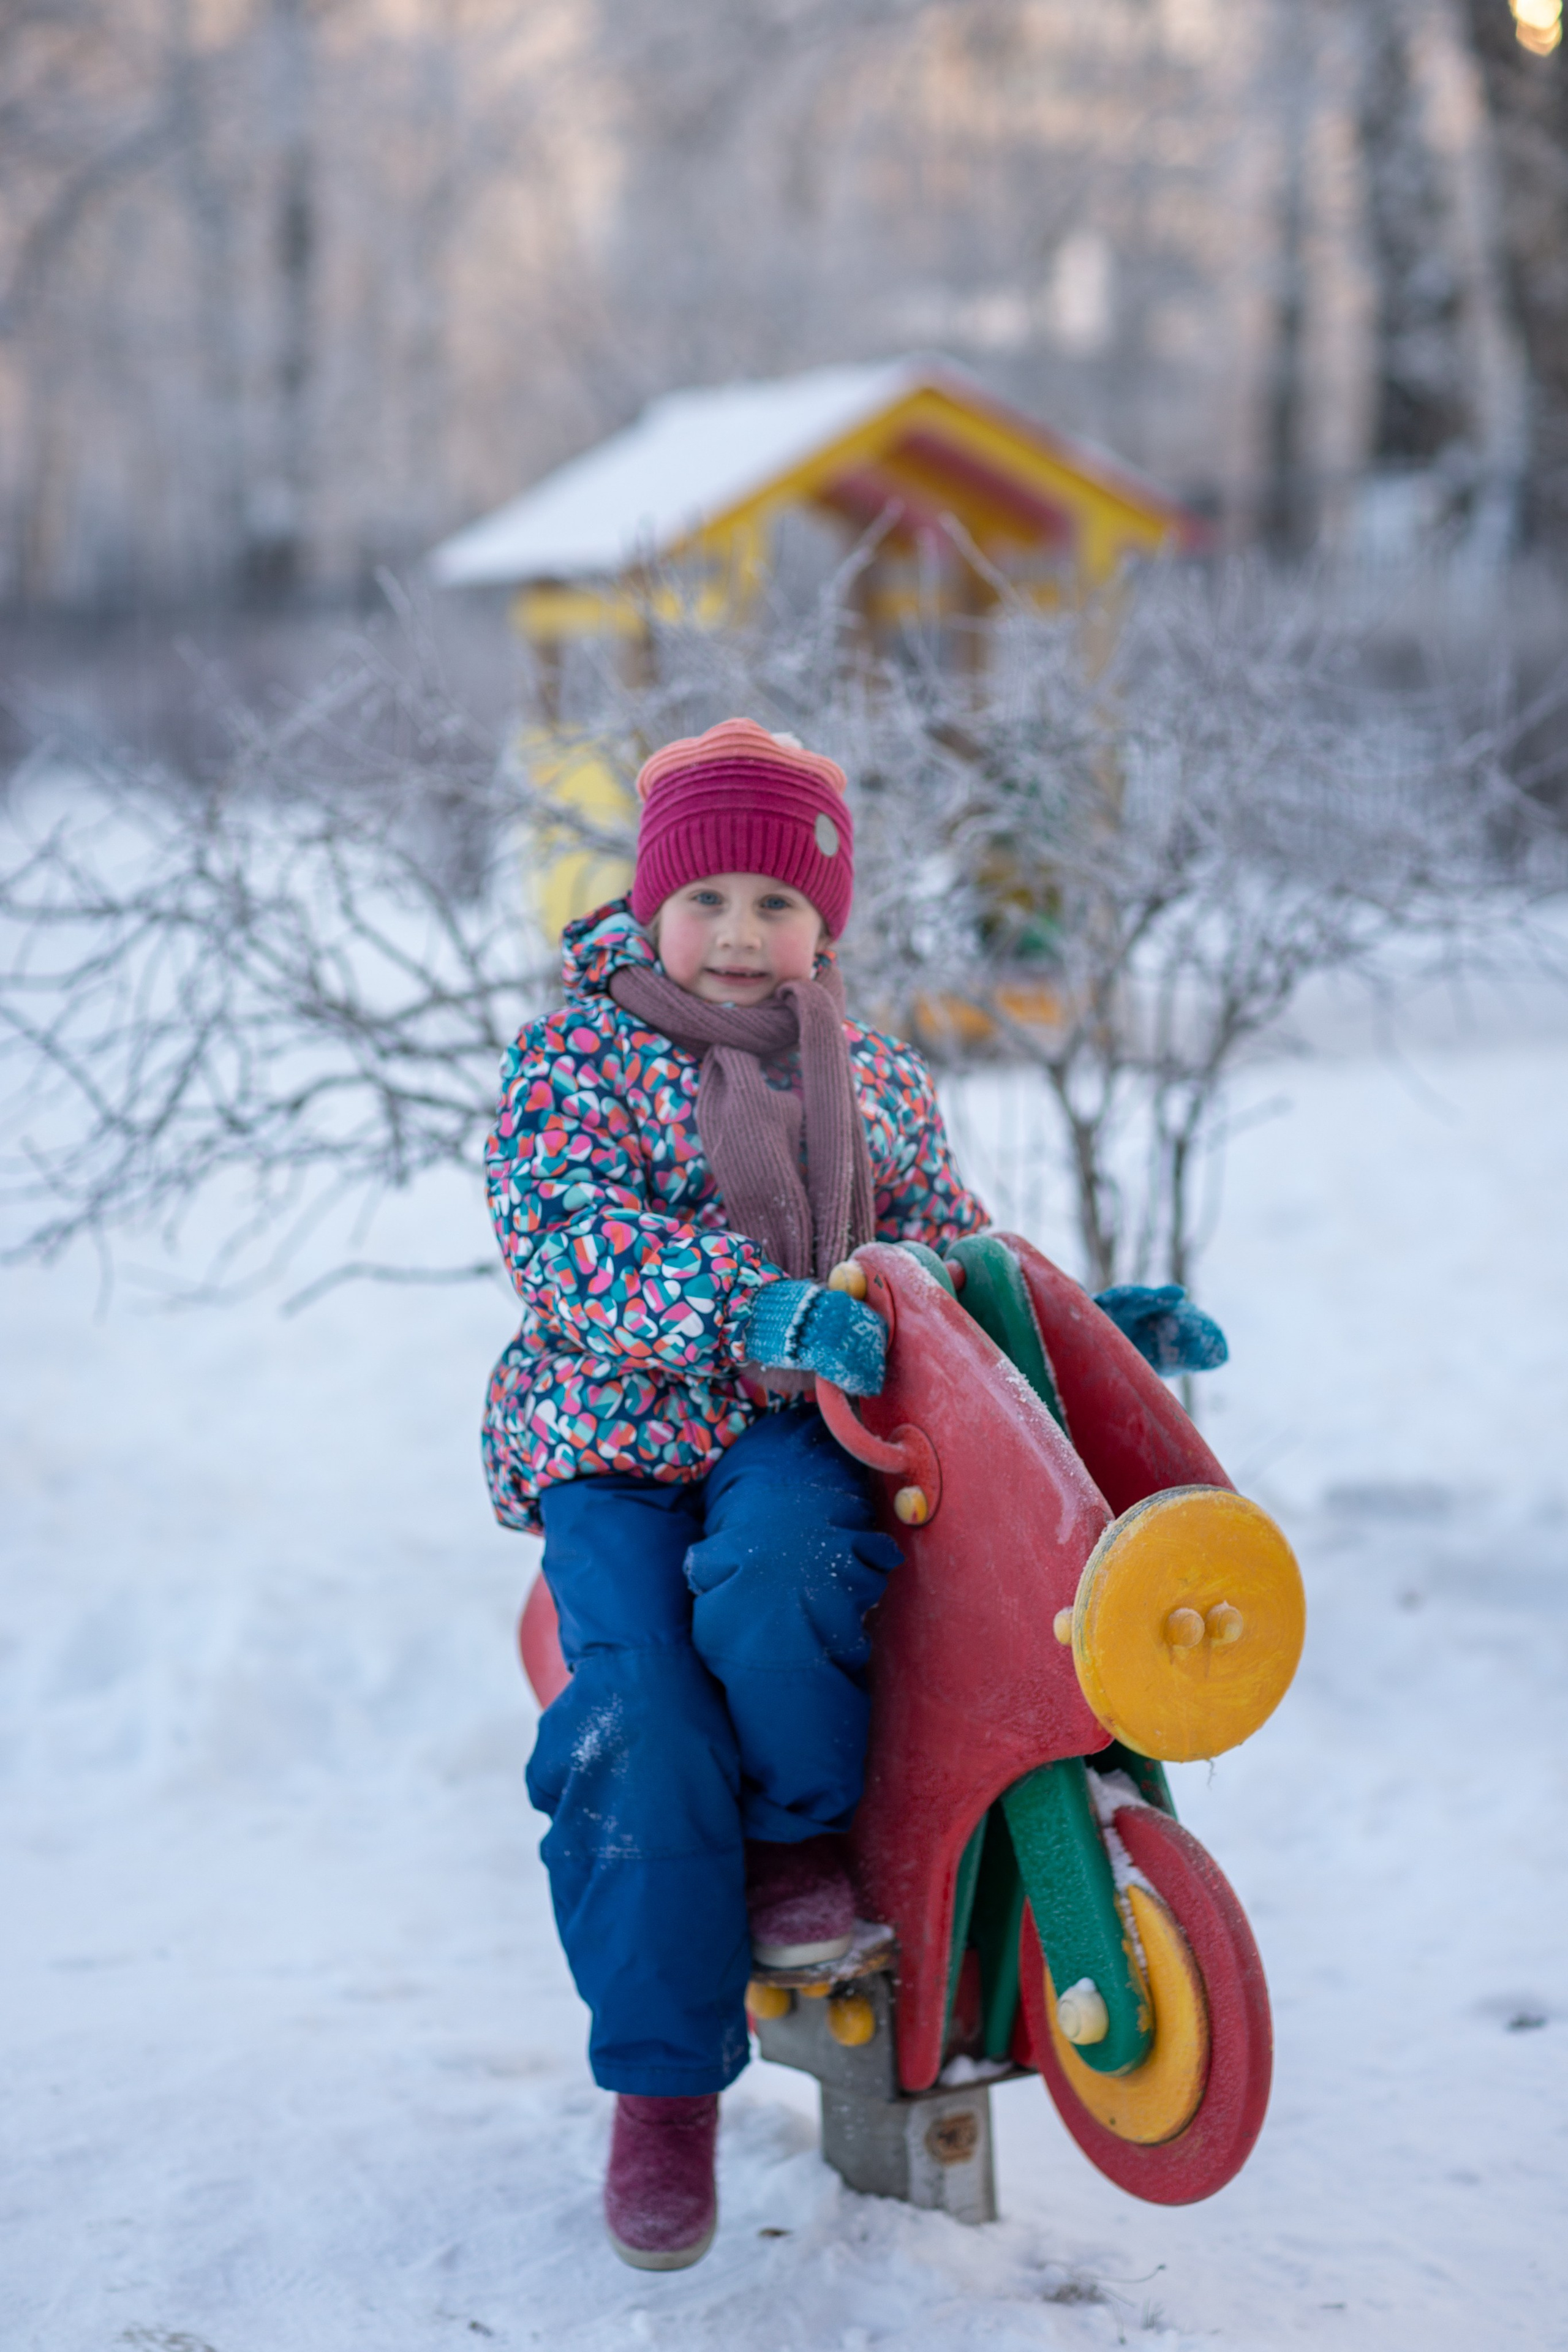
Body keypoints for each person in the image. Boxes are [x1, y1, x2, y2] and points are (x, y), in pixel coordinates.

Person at [480, 717, 1224, 2271]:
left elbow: (946, 1262)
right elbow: (564, 1239)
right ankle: (665, 2091)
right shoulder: (577, 1055)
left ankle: (787, 1842)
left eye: (777, 904)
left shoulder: (870, 1076)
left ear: (824, 924)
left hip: (791, 1429)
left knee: (797, 1562)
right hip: (610, 1434)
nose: (738, 934)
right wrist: (745, 1309)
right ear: (651, 902)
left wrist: (1088, 1329)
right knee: (637, 1719)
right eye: (706, 900)